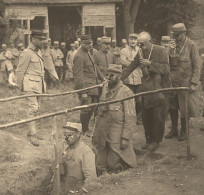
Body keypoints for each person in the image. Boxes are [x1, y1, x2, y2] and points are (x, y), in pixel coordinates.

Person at [121, 32, 171, 152]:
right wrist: (118, 79)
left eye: (143, 44)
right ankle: (148, 140)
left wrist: (150, 64)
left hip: (159, 89)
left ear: (150, 41)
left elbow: (166, 68)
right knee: (146, 116)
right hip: (147, 89)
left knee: (157, 117)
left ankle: (156, 141)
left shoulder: (161, 50)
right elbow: (130, 67)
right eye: (139, 44)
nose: (141, 47)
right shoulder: (141, 53)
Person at [93, 64, 137, 175]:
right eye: (108, 75)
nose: (109, 77)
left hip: (116, 135)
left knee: (112, 165)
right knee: (99, 165)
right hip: (103, 134)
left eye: (112, 75)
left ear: (119, 76)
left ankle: (121, 163)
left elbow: (130, 117)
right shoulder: (105, 88)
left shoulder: (126, 92)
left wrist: (125, 138)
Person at [165, 23, 201, 141]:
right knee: (172, 106)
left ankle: (184, 131)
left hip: (185, 83)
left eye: (177, 35)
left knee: (185, 108)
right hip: (173, 82)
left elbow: (197, 66)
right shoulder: (172, 46)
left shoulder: (191, 45)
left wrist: (194, 82)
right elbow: (166, 63)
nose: (174, 38)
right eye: (173, 35)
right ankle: (174, 129)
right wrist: (169, 50)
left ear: (184, 33)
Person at [47, 122, 97, 195]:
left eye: (69, 135)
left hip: (76, 189)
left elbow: (91, 178)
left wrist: (82, 191)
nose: (66, 138)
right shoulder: (66, 148)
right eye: (65, 135)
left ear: (78, 134)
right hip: (63, 187)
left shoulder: (86, 152)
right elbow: (58, 168)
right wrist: (52, 182)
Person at [16, 30, 46, 146]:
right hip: (29, 85)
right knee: (32, 109)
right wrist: (21, 87)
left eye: (43, 39)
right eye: (40, 39)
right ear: (32, 39)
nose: (42, 41)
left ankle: (31, 133)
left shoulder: (38, 52)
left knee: (36, 109)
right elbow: (20, 71)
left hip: (39, 85)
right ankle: (33, 135)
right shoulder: (26, 53)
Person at [73, 35, 100, 135]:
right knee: (85, 109)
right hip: (86, 88)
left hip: (93, 86)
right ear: (81, 43)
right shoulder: (79, 56)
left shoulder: (88, 52)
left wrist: (102, 78)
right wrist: (83, 92)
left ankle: (86, 127)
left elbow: (94, 67)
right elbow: (78, 76)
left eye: (91, 43)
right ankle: (84, 129)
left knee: (92, 108)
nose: (90, 45)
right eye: (87, 43)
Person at [120, 33, 143, 125]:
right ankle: (128, 118)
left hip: (138, 79)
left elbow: (141, 62)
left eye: (135, 39)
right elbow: (123, 62)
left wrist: (131, 61)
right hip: (128, 79)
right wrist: (134, 62)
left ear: (137, 41)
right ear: (128, 40)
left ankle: (139, 117)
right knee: (127, 99)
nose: (133, 41)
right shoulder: (123, 51)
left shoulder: (140, 50)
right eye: (131, 39)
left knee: (139, 99)